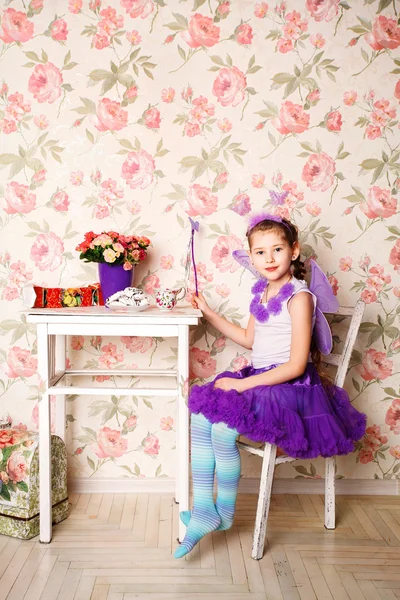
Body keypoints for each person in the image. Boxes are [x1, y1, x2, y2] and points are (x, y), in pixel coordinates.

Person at [174, 213, 367, 559]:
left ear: (294, 251)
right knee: (201, 419)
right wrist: (210, 314)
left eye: (277, 249)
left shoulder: (300, 296)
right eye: (260, 252)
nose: (269, 258)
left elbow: (295, 365)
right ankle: (205, 509)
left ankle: (226, 513)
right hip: (263, 376)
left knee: (223, 430)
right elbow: (250, 340)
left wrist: (241, 387)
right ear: (251, 258)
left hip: (291, 387)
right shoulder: (262, 291)